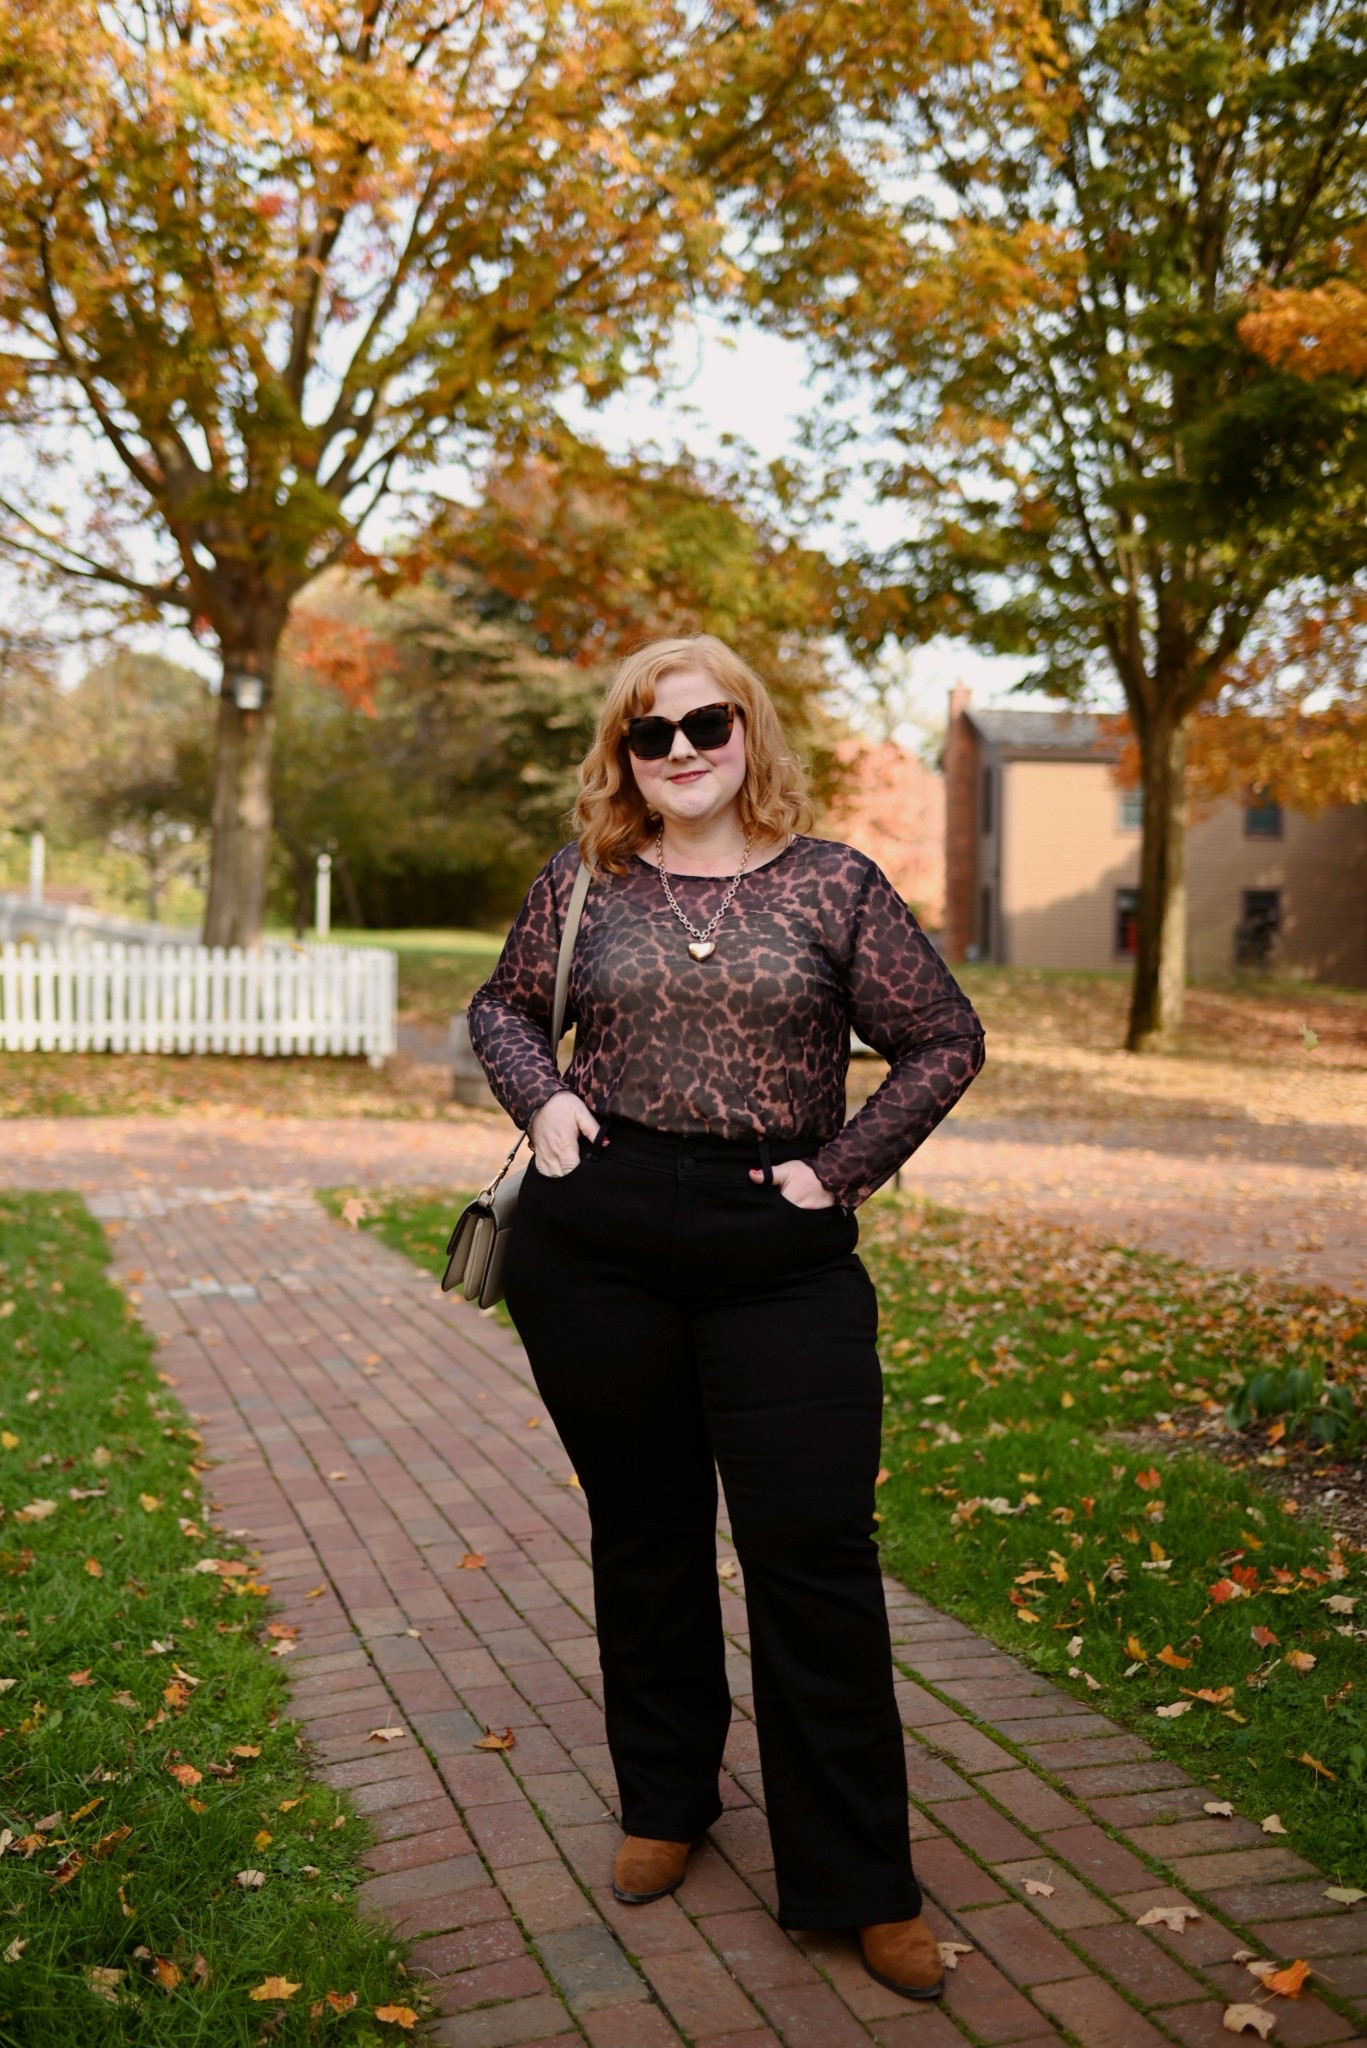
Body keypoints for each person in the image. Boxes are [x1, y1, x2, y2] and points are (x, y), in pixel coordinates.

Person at [467, 634, 984, 1998]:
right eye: (651, 734)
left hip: (779, 1246)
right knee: (644, 1534)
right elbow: (502, 1008)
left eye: (706, 724)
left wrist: (841, 1169)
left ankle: (860, 1877)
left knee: (812, 1551)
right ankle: (666, 1800)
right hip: (600, 1242)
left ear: (749, 732)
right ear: (624, 756)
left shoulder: (833, 885)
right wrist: (545, 1100)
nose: (682, 751)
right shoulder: (586, 881)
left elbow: (945, 1039)